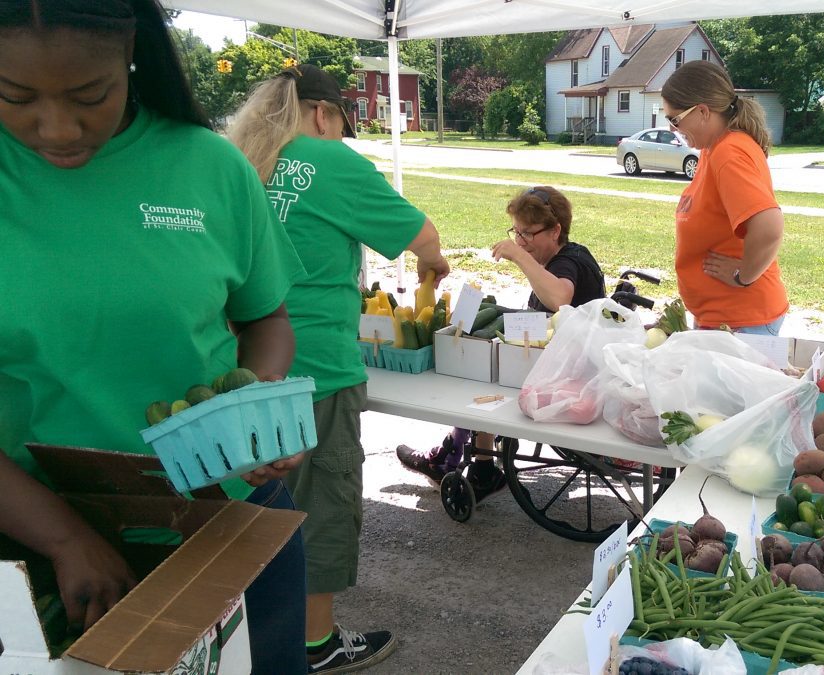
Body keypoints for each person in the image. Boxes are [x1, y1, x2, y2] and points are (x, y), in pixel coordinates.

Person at [0, 1, 310, 673]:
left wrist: (253, 405)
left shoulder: (210, 167)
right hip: (36, 535)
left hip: (225, 519)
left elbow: (267, 321)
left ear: (131, 55)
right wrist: (65, 539)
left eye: (90, 96)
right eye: (15, 96)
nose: (56, 128)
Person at [228, 64, 451, 673]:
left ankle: (250, 635)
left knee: (251, 504)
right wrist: (436, 265)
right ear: (324, 114)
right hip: (316, 366)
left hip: (235, 367)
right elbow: (422, 237)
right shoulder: (331, 161)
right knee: (319, 504)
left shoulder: (238, 161)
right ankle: (316, 644)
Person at [396, 186, 605, 494]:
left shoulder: (567, 262)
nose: (521, 241)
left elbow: (560, 297)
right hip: (566, 362)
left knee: (482, 378)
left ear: (556, 230)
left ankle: (462, 461)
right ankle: (473, 462)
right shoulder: (568, 255)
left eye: (528, 234)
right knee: (487, 358)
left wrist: (519, 255)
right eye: (517, 233)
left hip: (569, 374)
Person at [660, 60, 788, 335]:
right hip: (724, 318)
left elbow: (769, 227)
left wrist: (743, 276)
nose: (672, 128)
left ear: (703, 111)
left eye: (675, 119)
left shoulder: (729, 153)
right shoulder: (714, 148)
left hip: (741, 319)